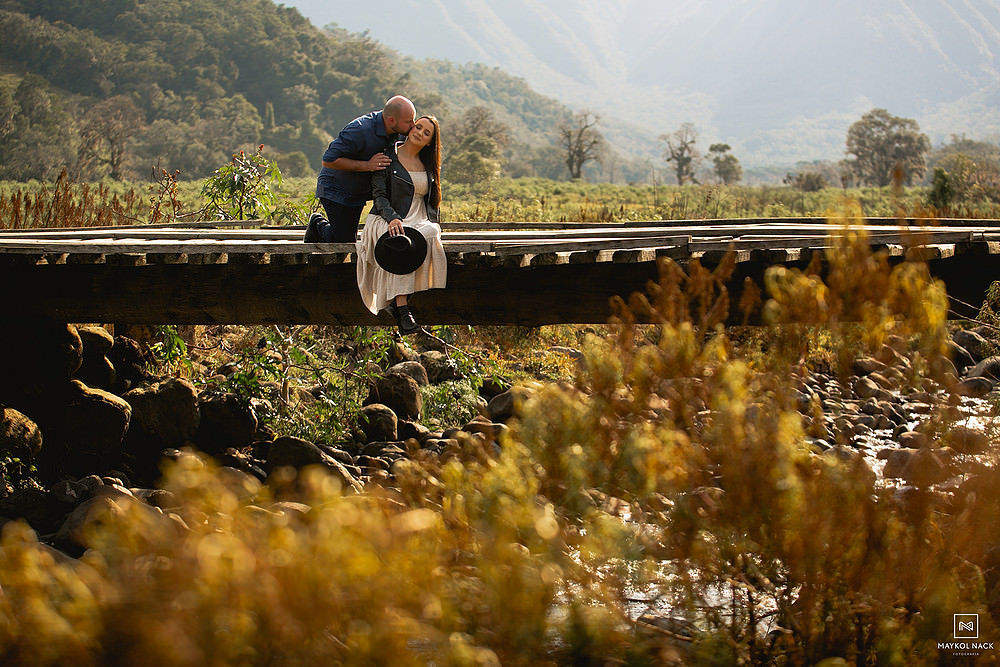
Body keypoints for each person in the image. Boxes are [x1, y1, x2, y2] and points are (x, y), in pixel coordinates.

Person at [356, 115, 446, 335]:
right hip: (386, 216)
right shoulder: (387, 157)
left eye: (427, 133)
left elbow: (432, 202)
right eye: (418, 127)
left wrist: (432, 221)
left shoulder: (428, 165)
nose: (420, 133)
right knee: (399, 239)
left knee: (430, 232)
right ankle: (403, 308)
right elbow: (379, 195)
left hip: (419, 217)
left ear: (429, 142)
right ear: (410, 128)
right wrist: (392, 217)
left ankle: (399, 302)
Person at [305, 95, 416, 243]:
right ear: (391, 120)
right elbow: (328, 160)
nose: (413, 125)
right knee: (343, 240)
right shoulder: (359, 130)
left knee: (347, 237)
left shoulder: (400, 132)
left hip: (360, 191)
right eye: (409, 122)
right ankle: (317, 224)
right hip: (336, 188)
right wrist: (367, 165)